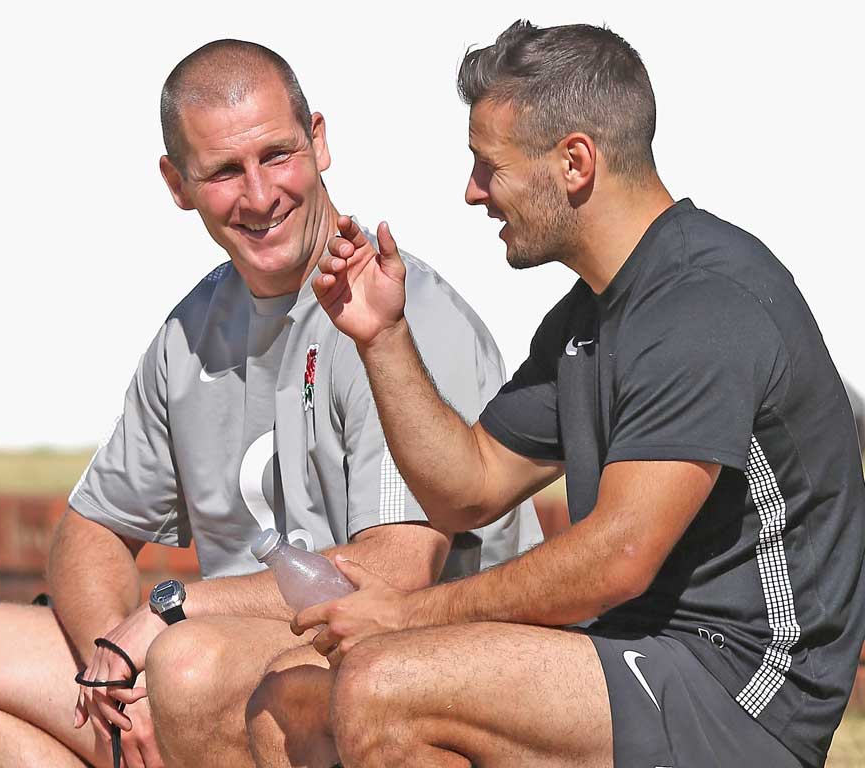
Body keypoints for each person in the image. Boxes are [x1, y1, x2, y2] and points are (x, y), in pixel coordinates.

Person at [0, 39, 538, 768]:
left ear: (319, 142)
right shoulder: (190, 332)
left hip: (401, 677)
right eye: (225, 171)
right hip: (214, 674)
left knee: (190, 663)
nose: (259, 196)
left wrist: (173, 611)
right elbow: (90, 532)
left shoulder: (399, 313)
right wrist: (119, 663)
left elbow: (394, 572)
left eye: (276, 155)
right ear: (177, 182)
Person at [249, 20, 865, 768]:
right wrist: (380, 336)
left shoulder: (704, 305)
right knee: (301, 696)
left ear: (574, 161)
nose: (473, 193)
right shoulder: (591, 317)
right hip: (641, 658)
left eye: (489, 166)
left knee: (385, 683)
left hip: (741, 694)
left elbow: (618, 557)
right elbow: (467, 490)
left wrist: (408, 616)